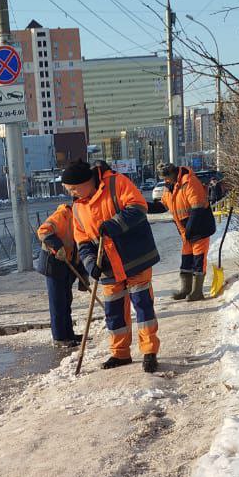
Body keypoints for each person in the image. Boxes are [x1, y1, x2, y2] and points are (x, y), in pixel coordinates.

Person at [62, 160, 161, 373]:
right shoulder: (78, 207)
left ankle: (149, 351)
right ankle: (120, 353)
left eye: (73, 189)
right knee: (114, 311)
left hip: (134, 258)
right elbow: (83, 241)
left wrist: (114, 224)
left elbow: (138, 207)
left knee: (142, 305)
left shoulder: (116, 183)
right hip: (107, 267)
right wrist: (90, 265)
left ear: (85, 182)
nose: (72, 194)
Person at [154, 163, 217, 302]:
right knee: (186, 261)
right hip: (186, 232)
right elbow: (162, 206)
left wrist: (189, 230)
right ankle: (186, 289)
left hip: (200, 228)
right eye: (163, 178)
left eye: (167, 177)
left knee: (198, 261)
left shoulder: (189, 181)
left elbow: (197, 208)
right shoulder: (169, 188)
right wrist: (146, 207)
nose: (165, 181)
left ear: (173, 173)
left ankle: (197, 291)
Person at [36, 199, 88, 350]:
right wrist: (57, 247)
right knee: (58, 302)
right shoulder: (63, 215)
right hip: (53, 264)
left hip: (67, 264)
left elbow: (78, 248)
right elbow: (43, 231)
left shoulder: (81, 220)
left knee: (66, 301)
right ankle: (59, 337)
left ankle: (69, 334)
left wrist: (83, 275)